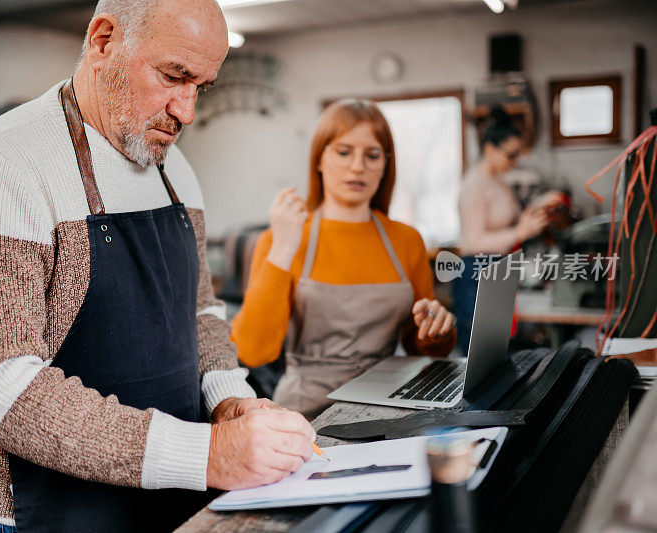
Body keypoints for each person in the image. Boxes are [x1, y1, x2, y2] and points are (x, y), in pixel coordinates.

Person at [0, 1, 315, 532]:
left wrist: (229, 403)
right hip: (61, 513)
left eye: (202, 86)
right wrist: (207, 453)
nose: (187, 111)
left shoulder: (174, 169)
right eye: (175, 76)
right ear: (104, 40)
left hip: (177, 498)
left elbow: (199, 314)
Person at [231, 99, 457, 419]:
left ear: (385, 165)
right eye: (343, 151)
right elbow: (253, 351)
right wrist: (282, 250)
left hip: (387, 403)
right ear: (319, 159)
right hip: (305, 413)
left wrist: (437, 332)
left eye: (372, 155)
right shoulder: (282, 238)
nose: (357, 167)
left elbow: (417, 346)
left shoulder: (407, 240)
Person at [454, 108, 562, 356]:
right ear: (490, 149)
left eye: (518, 156)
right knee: (479, 353)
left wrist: (541, 203)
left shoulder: (498, 181)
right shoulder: (474, 185)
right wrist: (519, 234)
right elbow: (473, 241)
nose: (514, 162)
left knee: (498, 350)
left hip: (498, 269)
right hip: (476, 274)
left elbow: (513, 221)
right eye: (511, 155)